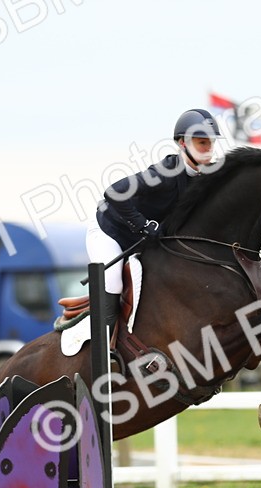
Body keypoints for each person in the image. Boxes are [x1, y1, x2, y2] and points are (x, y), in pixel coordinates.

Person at [88, 108, 223, 333]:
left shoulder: (206, 176)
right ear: (182, 143)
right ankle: (105, 349)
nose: (209, 150)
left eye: (211, 143)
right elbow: (113, 192)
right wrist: (143, 224)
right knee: (113, 282)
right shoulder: (163, 174)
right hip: (109, 231)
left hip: (144, 241)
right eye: (202, 143)